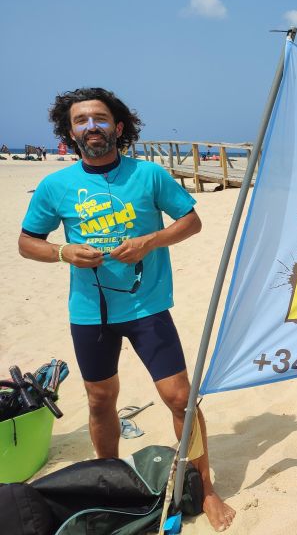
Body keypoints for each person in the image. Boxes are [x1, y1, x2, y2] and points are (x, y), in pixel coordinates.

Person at [18, 88, 235, 532]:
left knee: (180, 399)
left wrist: (148, 242)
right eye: (81, 121)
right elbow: (27, 243)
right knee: (101, 400)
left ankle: (208, 488)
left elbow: (191, 221)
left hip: (146, 305)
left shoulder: (149, 175)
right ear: (70, 131)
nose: (91, 127)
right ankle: (108, 485)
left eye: (100, 118)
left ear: (118, 128)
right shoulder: (55, 185)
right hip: (90, 312)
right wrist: (63, 252)